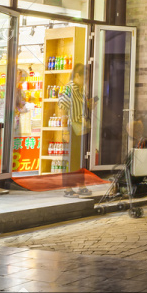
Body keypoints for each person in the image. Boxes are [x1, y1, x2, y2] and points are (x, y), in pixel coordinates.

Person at [59, 64, 91, 197]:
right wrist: (65, 131)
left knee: (79, 159)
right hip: (72, 129)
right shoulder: (68, 88)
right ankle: (68, 189)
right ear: (77, 75)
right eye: (85, 77)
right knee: (71, 160)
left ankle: (81, 186)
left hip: (81, 129)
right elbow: (62, 109)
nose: (86, 80)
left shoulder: (80, 90)